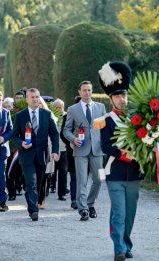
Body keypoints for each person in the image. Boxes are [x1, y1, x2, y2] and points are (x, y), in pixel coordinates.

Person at [99, 62, 143, 261]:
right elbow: (106, 146)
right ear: (111, 99)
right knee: (119, 211)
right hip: (114, 172)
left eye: (124, 95)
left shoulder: (138, 119)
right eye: (117, 96)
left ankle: (126, 242)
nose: (122, 99)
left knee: (130, 213)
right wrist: (125, 154)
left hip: (134, 172)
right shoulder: (106, 120)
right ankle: (119, 249)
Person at [11, 88, 59, 221]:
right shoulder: (21, 116)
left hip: (42, 155)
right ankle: (33, 210)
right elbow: (14, 136)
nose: (35, 99)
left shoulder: (46, 114)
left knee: (38, 183)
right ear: (27, 99)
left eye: (37, 97)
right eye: (32, 97)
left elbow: (54, 134)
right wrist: (21, 143)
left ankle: (34, 203)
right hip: (26, 155)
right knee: (30, 183)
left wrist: (55, 150)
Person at [63, 80, 106, 221]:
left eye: (89, 90)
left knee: (99, 179)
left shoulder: (100, 107)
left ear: (91, 91)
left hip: (97, 150)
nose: (87, 93)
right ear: (79, 92)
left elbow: (105, 128)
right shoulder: (73, 109)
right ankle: (83, 210)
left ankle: (90, 204)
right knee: (82, 181)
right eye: (84, 90)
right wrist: (73, 139)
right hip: (80, 149)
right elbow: (66, 130)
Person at [60, 96, 81, 209]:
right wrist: (70, 142)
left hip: (85, 149)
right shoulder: (67, 116)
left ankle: (81, 198)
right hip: (72, 150)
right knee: (74, 176)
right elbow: (63, 133)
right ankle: (74, 199)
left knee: (83, 177)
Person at [51, 98, 68, 200]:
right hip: (52, 149)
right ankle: (49, 187)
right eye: (56, 107)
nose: (59, 109)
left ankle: (61, 193)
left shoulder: (67, 116)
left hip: (64, 148)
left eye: (60, 107)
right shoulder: (51, 116)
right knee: (50, 171)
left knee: (63, 171)